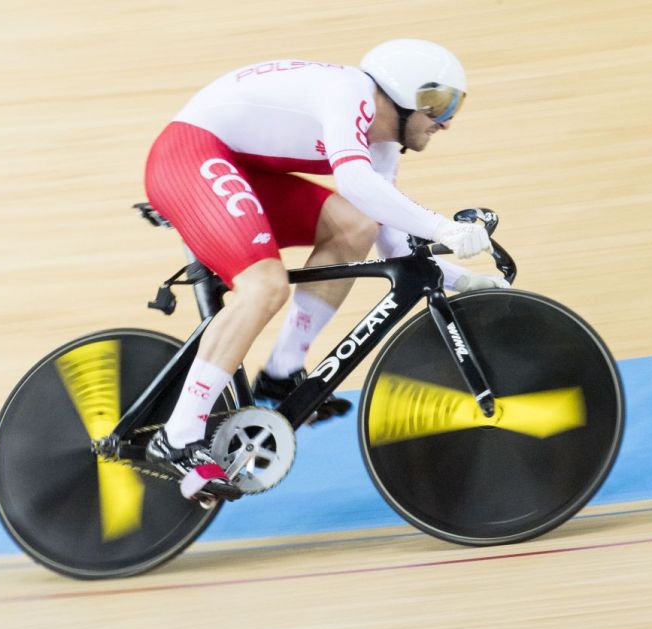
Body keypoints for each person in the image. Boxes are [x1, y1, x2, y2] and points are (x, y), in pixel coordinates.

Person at [142, 39, 506, 499]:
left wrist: (457, 277)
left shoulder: (382, 141)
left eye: (456, 105)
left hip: (235, 166)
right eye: (440, 103)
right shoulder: (349, 92)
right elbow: (354, 181)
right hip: (189, 156)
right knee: (265, 286)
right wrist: (446, 229)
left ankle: (282, 369)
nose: (447, 121)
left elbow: (387, 229)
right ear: (404, 94)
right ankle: (177, 436)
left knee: (355, 225)